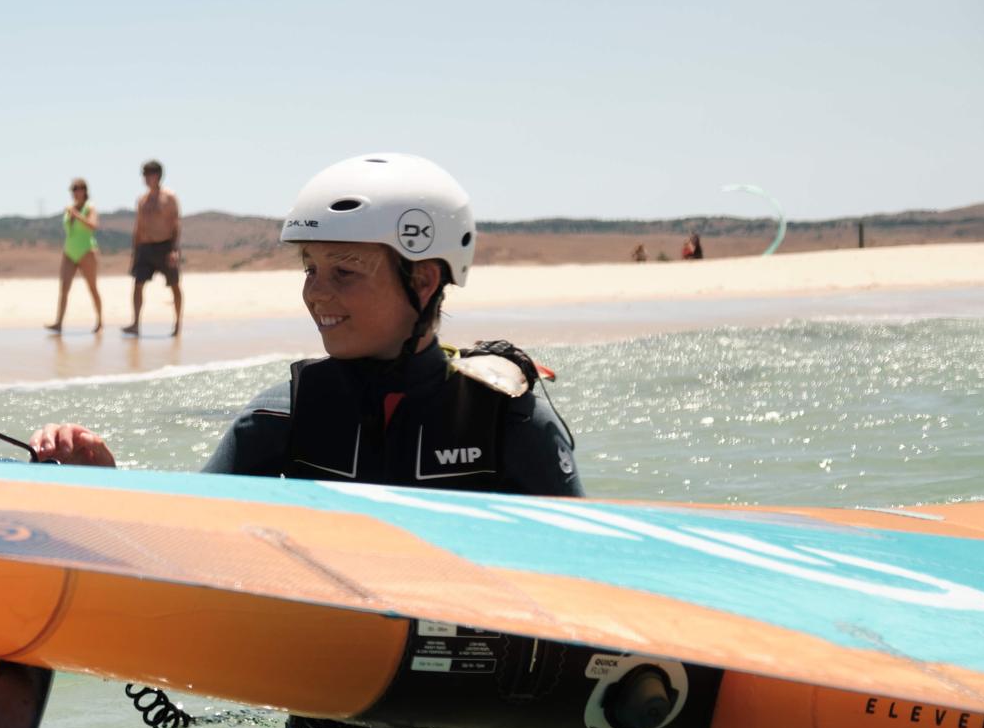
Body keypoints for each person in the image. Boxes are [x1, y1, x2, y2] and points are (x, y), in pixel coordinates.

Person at [32, 152, 581, 497]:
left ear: (423, 281)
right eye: (310, 268)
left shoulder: (506, 419)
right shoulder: (281, 415)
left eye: (344, 271)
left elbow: (594, 577)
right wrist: (98, 485)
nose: (315, 292)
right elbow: (179, 545)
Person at [122, 159, 182, 337]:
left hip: (165, 247)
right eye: (144, 174)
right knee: (138, 284)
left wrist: (174, 249)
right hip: (145, 247)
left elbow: (176, 223)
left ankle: (178, 324)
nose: (146, 178)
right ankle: (135, 324)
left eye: (149, 174)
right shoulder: (142, 200)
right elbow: (138, 226)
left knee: (174, 285)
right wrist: (135, 250)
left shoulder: (169, 197)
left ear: (158, 175)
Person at [44, 177, 102, 333]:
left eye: (78, 189)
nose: (76, 192)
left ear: (85, 191)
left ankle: (100, 320)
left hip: (86, 251)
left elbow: (93, 226)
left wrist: (77, 215)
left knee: (92, 287)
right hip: (69, 251)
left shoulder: (90, 208)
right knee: (64, 287)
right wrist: (71, 215)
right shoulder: (70, 209)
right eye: (73, 190)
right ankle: (59, 322)